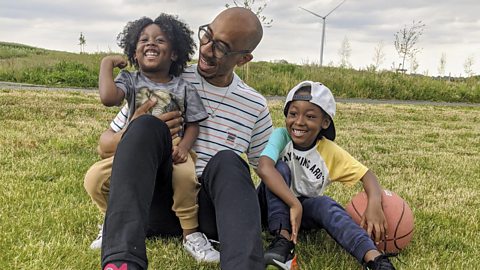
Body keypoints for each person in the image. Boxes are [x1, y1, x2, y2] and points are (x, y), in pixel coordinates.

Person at [98, 7, 272, 270]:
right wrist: (132, 129)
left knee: (229, 161)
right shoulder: (167, 77)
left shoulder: (255, 105)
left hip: (208, 212)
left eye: (221, 47)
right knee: (146, 126)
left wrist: (294, 205)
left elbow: (266, 168)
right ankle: (122, 262)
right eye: (207, 36)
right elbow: (105, 145)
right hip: (159, 201)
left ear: (244, 58)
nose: (206, 49)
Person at [90, 13, 221, 263]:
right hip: (134, 149)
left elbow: (193, 123)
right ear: (134, 53)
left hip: (173, 150)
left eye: (160, 40)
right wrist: (106, 63)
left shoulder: (184, 88)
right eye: (143, 40)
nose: (151, 43)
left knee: (185, 179)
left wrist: (184, 146)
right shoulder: (130, 80)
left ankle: (191, 233)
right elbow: (108, 98)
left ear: (174, 53)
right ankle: (111, 223)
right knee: (95, 178)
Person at [257, 81, 396, 270]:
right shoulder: (281, 136)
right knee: (279, 168)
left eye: (310, 116)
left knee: (325, 204)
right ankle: (283, 241)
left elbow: (367, 174)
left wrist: (374, 202)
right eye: (293, 113)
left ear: (325, 122)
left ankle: (375, 260)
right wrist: (293, 203)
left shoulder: (329, 152)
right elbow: (265, 168)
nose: (298, 122)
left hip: (302, 213)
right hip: (265, 206)